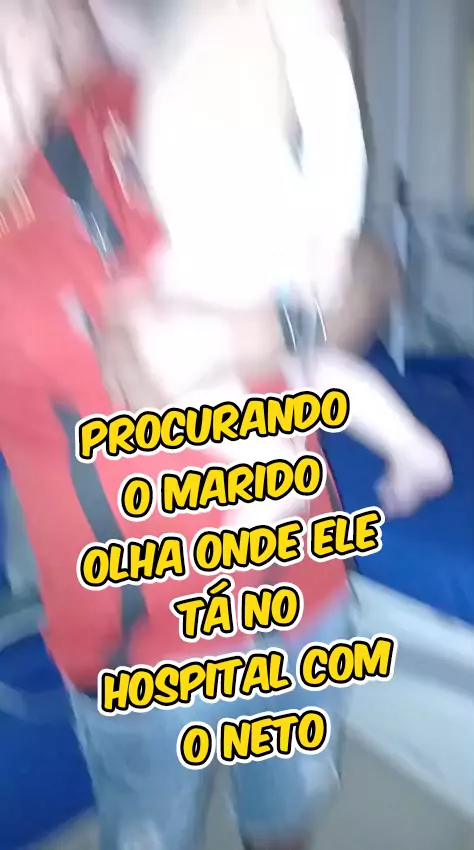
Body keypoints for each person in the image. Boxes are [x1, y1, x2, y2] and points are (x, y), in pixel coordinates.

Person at [0, 3, 451, 850]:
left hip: (300, 602)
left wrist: (249, 336)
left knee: (284, 827)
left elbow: (372, 272)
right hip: (133, 660)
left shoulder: (175, 85)